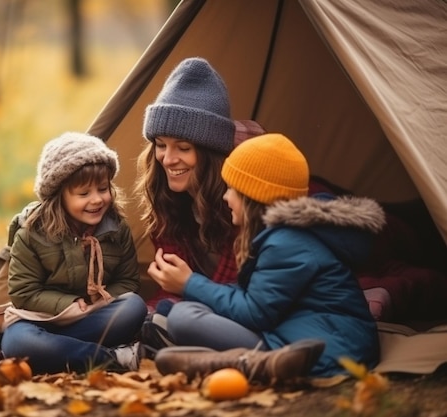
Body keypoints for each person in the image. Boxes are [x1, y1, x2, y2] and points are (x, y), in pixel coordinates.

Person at [150, 133, 383, 383]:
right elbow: (259, 299)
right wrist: (194, 289)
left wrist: (190, 283)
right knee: (186, 312)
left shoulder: (287, 243)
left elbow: (254, 312)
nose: (226, 197)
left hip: (329, 350)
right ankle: (234, 360)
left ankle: (253, 363)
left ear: (253, 197)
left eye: (232, 190)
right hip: (296, 331)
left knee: (184, 319)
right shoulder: (281, 236)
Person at [0, 132, 148, 377]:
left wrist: (99, 301)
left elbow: (128, 282)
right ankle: (113, 358)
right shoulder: (32, 233)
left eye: (103, 188)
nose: (97, 199)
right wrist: (67, 304)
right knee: (21, 341)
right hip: (39, 319)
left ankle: (14, 356)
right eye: (84, 194)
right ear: (59, 195)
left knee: (134, 307)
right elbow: (24, 292)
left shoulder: (117, 229)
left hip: (91, 316)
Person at [134, 57, 266, 354]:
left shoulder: (244, 203)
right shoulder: (167, 197)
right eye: (161, 144)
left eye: (183, 148)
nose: (168, 159)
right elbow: (175, 286)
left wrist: (187, 286)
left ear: (210, 154)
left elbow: (248, 297)